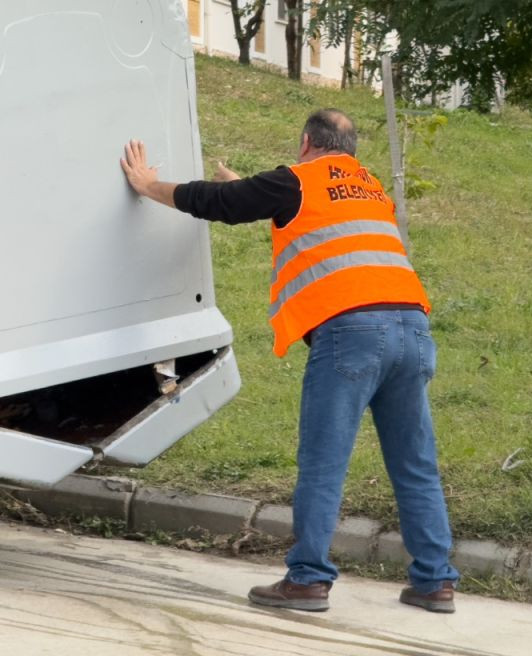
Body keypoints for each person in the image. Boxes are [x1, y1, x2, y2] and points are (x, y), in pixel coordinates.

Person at [120, 109, 460, 614]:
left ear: (305, 142)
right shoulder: (370, 188)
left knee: (323, 464)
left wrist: (148, 186)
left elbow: (219, 203)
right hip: (413, 330)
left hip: (351, 333)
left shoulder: (294, 181)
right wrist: (252, 190)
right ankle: (435, 583)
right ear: (352, 148)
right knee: (414, 464)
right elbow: (310, 218)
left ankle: (307, 579)